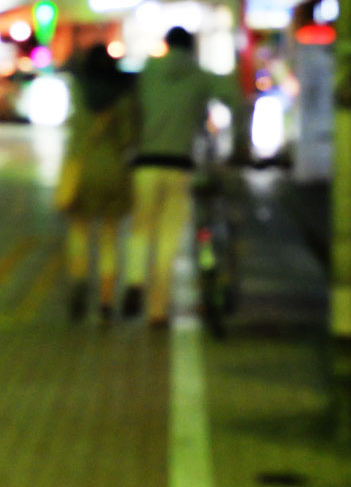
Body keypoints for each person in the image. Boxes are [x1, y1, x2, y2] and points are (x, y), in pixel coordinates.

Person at [123, 26, 240, 326]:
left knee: (140, 227)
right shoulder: (200, 75)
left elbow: (129, 106)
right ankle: (158, 311)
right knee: (168, 236)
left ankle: (135, 279)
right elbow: (232, 97)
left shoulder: (148, 71)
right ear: (191, 48)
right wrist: (237, 138)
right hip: (180, 165)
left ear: (166, 44)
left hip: (145, 163)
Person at [56, 43, 138, 323]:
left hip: (82, 170)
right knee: (110, 238)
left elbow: (73, 132)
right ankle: (104, 302)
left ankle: (79, 285)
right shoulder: (123, 95)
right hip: (114, 170)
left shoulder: (78, 92)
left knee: (79, 231)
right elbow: (129, 138)